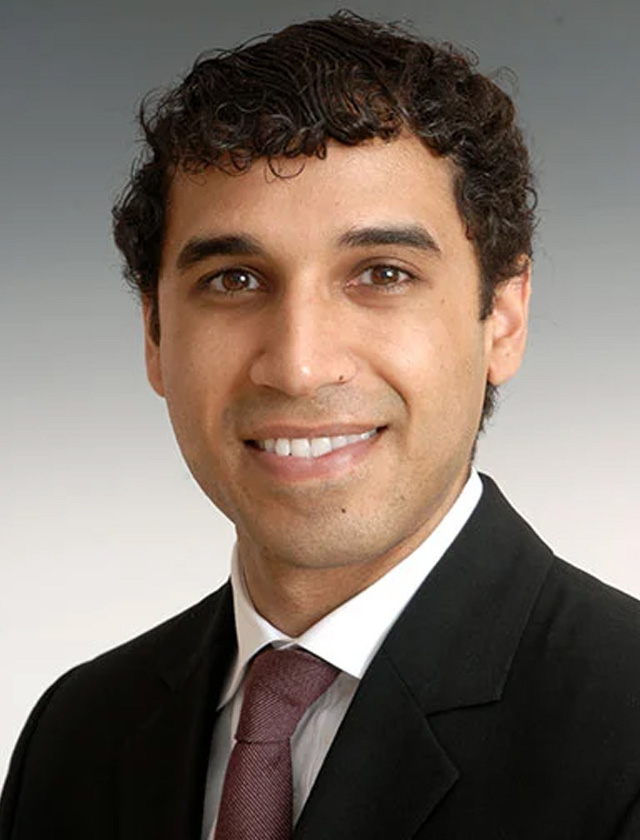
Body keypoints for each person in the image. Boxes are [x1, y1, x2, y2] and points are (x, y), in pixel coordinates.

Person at [1, 11, 639, 840]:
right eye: (234, 280)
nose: (299, 366)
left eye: (382, 274)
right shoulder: (77, 737)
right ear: (155, 336)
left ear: (503, 319)